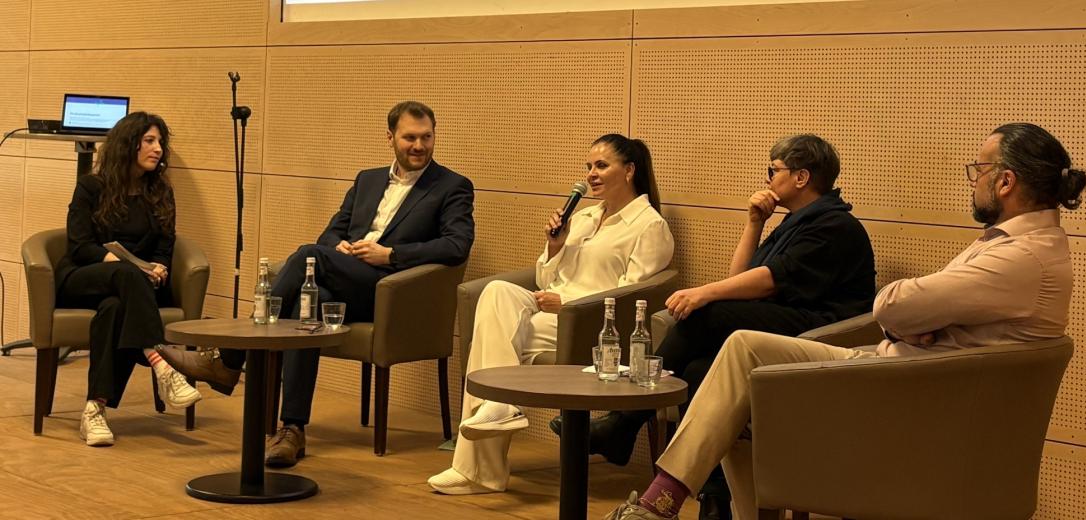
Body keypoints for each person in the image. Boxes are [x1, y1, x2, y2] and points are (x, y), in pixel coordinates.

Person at [605, 122, 1086, 520]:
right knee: (741, 351)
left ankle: (653, 491)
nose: (973, 179)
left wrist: (909, 318)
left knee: (728, 356)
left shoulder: (1019, 256)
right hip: (899, 373)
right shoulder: (1017, 245)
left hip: (904, 399)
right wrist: (916, 320)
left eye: (979, 170)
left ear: (1005, 181)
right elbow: (912, 309)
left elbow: (889, 306)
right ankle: (666, 498)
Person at [562, 134, 875, 518]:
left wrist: (703, 294)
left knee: (708, 313)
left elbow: (769, 281)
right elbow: (740, 277)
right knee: (698, 369)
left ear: (801, 177)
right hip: (780, 325)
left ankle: (625, 423)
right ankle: (714, 501)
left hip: (816, 334)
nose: (767, 179)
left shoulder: (833, 225)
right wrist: (754, 224)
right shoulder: (795, 222)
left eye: (772, 170)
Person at [159, 101, 475, 467]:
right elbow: (332, 231)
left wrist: (389, 254)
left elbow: (456, 244)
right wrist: (336, 246)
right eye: (409, 138)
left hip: (392, 292)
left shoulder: (451, 186)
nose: (419, 146)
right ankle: (292, 430)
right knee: (307, 303)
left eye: (426, 137)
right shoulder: (367, 180)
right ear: (389, 138)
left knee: (311, 255)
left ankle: (230, 360)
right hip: (345, 281)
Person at [428, 134, 675, 495]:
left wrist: (571, 305)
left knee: (493, 344)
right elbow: (546, 278)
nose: (591, 174)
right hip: (551, 314)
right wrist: (554, 247)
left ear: (630, 170)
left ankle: (479, 468)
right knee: (496, 293)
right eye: (588, 166)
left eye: (601, 165)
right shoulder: (585, 216)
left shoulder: (649, 226)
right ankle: (498, 410)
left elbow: (629, 295)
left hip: (591, 326)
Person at [57, 112, 200, 447]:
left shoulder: (160, 192)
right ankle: (162, 362)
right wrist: (122, 263)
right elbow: (79, 246)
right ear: (127, 145)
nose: (158, 149)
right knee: (124, 275)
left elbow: (167, 245)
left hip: (131, 288)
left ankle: (95, 410)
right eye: (150, 141)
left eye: (160, 142)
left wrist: (161, 267)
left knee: (114, 309)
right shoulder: (91, 187)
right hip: (83, 278)